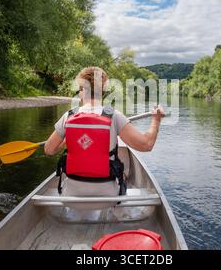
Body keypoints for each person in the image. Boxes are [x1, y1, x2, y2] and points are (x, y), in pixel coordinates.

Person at [44, 67, 164, 206]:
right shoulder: (114, 115)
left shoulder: (69, 116)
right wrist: (156, 120)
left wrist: (67, 141)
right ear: (104, 92)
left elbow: (49, 149)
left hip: (71, 197)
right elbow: (146, 144)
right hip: (108, 198)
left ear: (82, 91)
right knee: (123, 174)